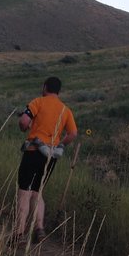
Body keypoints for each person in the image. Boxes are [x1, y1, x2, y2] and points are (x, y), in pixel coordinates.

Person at [12, 76, 77, 245]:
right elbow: (73, 134)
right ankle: (39, 228)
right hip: (50, 157)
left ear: (45, 87)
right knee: (37, 192)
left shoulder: (38, 102)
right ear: (58, 91)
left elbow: (24, 120)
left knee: (24, 192)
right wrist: (60, 144)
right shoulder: (65, 110)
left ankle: (19, 234)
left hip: (33, 151)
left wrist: (23, 127)